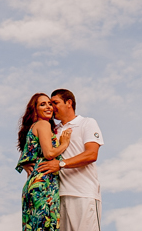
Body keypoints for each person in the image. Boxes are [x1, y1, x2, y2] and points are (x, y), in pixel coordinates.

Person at [36, 89, 103, 231]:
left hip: (83, 193)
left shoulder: (87, 123)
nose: (52, 107)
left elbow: (91, 154)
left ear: (69, 103)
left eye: (55, 103)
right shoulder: (53, 130)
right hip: (57, 196)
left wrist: (60, 164)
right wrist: (25, 164)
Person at [15, 93, 73, 231]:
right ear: (35, 109)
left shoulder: (34, 127)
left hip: (34, 185)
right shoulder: (43, 124)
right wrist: (64, 144)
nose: (48, 107)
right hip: (44, 185)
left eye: (49, 104)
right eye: (43, 104)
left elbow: (27, 156)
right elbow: (49, 153)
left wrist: (23, 164)